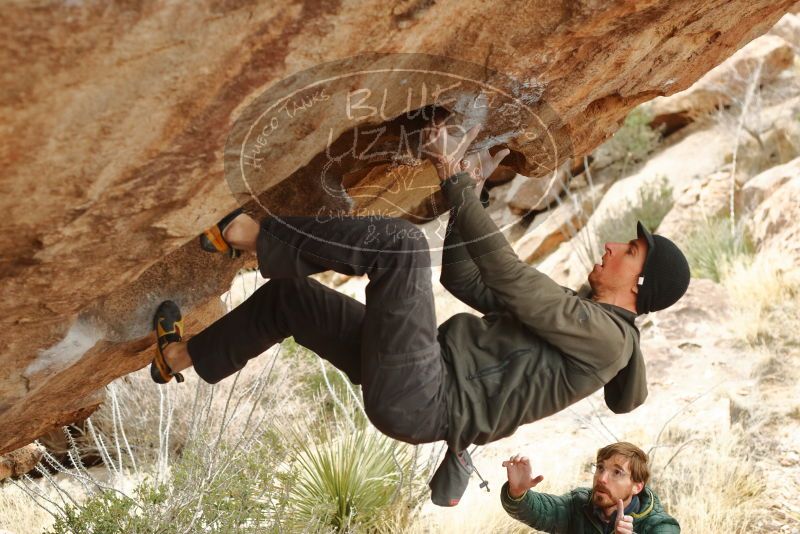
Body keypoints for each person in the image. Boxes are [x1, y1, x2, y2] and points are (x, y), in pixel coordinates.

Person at [149, 121, 691, 505]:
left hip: (426, 397)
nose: (615, 247)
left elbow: (511, 278)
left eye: (631, 251)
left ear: (639, 283)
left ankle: (249, 233)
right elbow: (466, 278)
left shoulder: (608, 342)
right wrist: (470, 190)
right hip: (422, 373)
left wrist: (455, 179)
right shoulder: (580, 314)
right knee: (293, 300)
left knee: (402, 246)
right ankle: (175, 355)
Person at [501, 442, 681, 533]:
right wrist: (518, 493)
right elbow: (541, 509)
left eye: (617, 472)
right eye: (600, 468)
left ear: (637, 487)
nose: (601, 479)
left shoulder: (660, 525)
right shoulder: (578, 505)